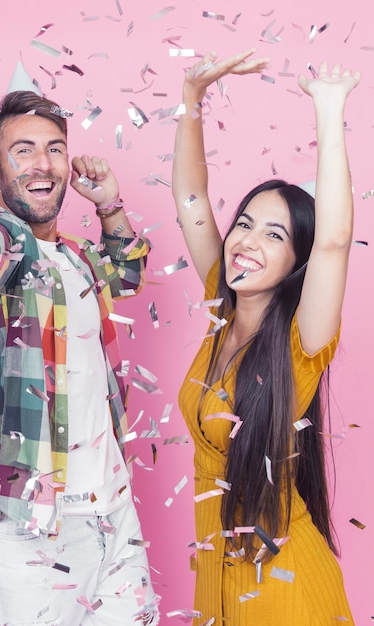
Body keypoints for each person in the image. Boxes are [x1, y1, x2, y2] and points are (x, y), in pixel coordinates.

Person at [0, 89, 160, 625]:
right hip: (33, 521)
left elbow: (128, 273)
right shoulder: (7, 251)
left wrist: (109, 205)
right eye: (22, 150)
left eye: (54, 148)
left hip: (113, 509)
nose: (43, 163)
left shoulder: (75, 255)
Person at [173, 49, 358, 624]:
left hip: (284, 587)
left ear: (295, 263)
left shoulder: (304, 342)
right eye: (245, 223)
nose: (247, 240)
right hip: (220, 575)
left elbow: (333, 242)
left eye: (274, 235)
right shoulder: (220, 309)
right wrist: (191, 99)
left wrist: (328, 110)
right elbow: (190, 200)